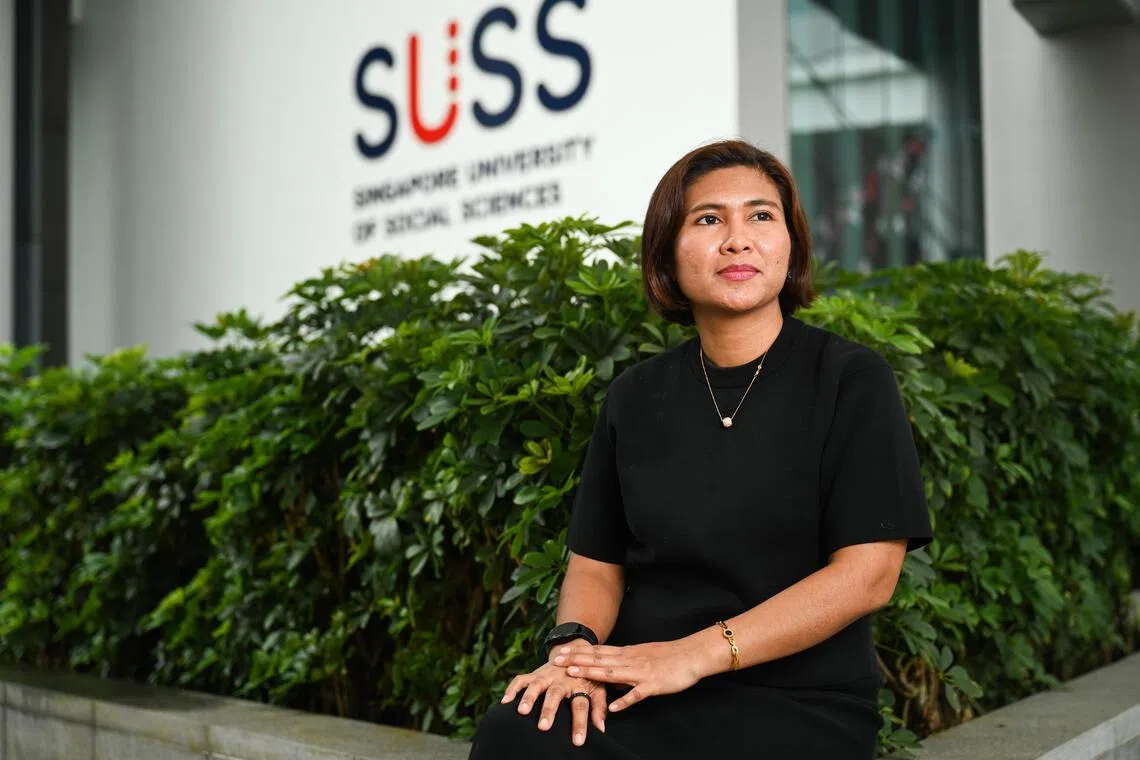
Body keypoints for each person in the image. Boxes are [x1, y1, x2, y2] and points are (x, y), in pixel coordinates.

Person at [467, 139, 933, 759]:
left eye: (761, 216)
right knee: (515, 731)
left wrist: (693, 655)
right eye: (709, 219)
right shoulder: (634, 396)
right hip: (647, 687)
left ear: (790, 244)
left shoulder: (851, 380)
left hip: (799, 702)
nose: (738, 240)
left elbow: (868, 576)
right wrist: (575, 656)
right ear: (667, 253)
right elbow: (596, 564)